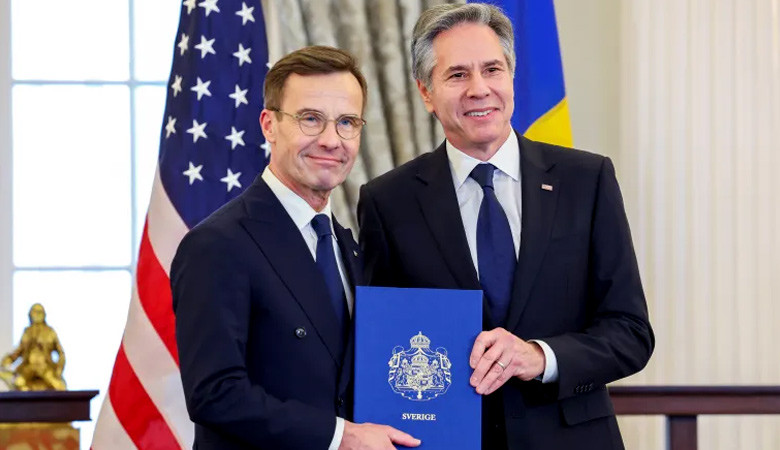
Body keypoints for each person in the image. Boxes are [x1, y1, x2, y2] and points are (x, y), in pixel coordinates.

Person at [357, 4, 654, 449]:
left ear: (512, 76)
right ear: (426, 92)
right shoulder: (388, 201)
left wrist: (539, 356)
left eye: (492, 69)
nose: (479, 89)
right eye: (457, 75)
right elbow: (383, 342)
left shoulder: (586, 180)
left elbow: (630, 332)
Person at [172, 46, 420, 450]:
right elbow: (215, 394)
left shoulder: (349, 246)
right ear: (269, 125)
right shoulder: (216, 244)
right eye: (310, 119)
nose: (331, 140)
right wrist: (341, 436)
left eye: (346, 122)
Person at [0, 303, 66, 391]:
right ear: (30, 315)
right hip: (28, 368)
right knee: (18, 383)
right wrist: (7, 361)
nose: (37, 315)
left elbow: (61, 353)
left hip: (45, 368)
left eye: (40, 312)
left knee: (59, 386)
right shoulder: (27, 332)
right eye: (34, 312)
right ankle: (27, 397)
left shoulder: (50, 332)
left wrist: (58, 371)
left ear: (44, 314)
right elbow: (18, 352)